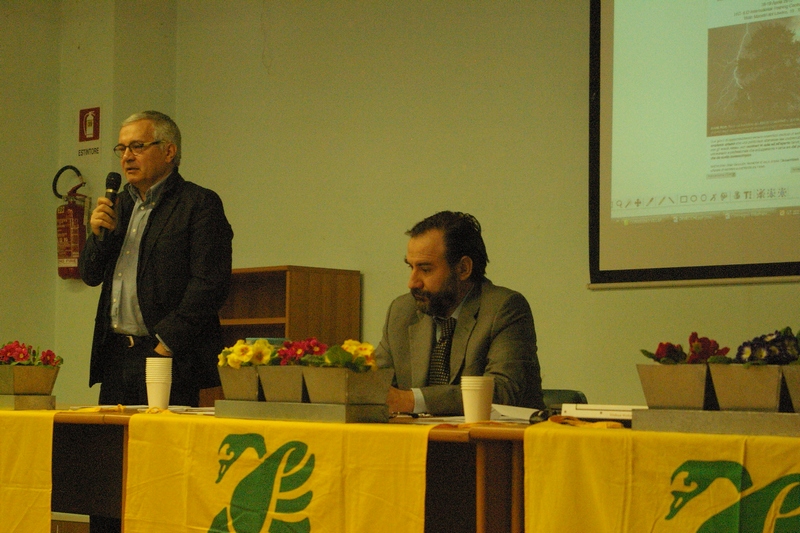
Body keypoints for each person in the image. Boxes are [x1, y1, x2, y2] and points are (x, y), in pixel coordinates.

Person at [79, 110, 233, 409]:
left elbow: (209, 285)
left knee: (161, 449)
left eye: (137, 146)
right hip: (116, 356)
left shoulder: (198, 204)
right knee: (111, 447)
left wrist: (165, 346)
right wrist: (97, 235)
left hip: (167, 354)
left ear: (168, 151)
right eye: (121, 149)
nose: (126, 157)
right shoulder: (118, 205)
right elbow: (90, 274)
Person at [375, 211, 545, 416]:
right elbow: (375, 383)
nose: (412, 282)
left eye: (426, 269)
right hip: (417, 442)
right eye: (410, 267)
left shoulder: (504, 308)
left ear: (463, 268)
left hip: (491, 444)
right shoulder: (402, 311)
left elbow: (502, 392)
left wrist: (411, 400)